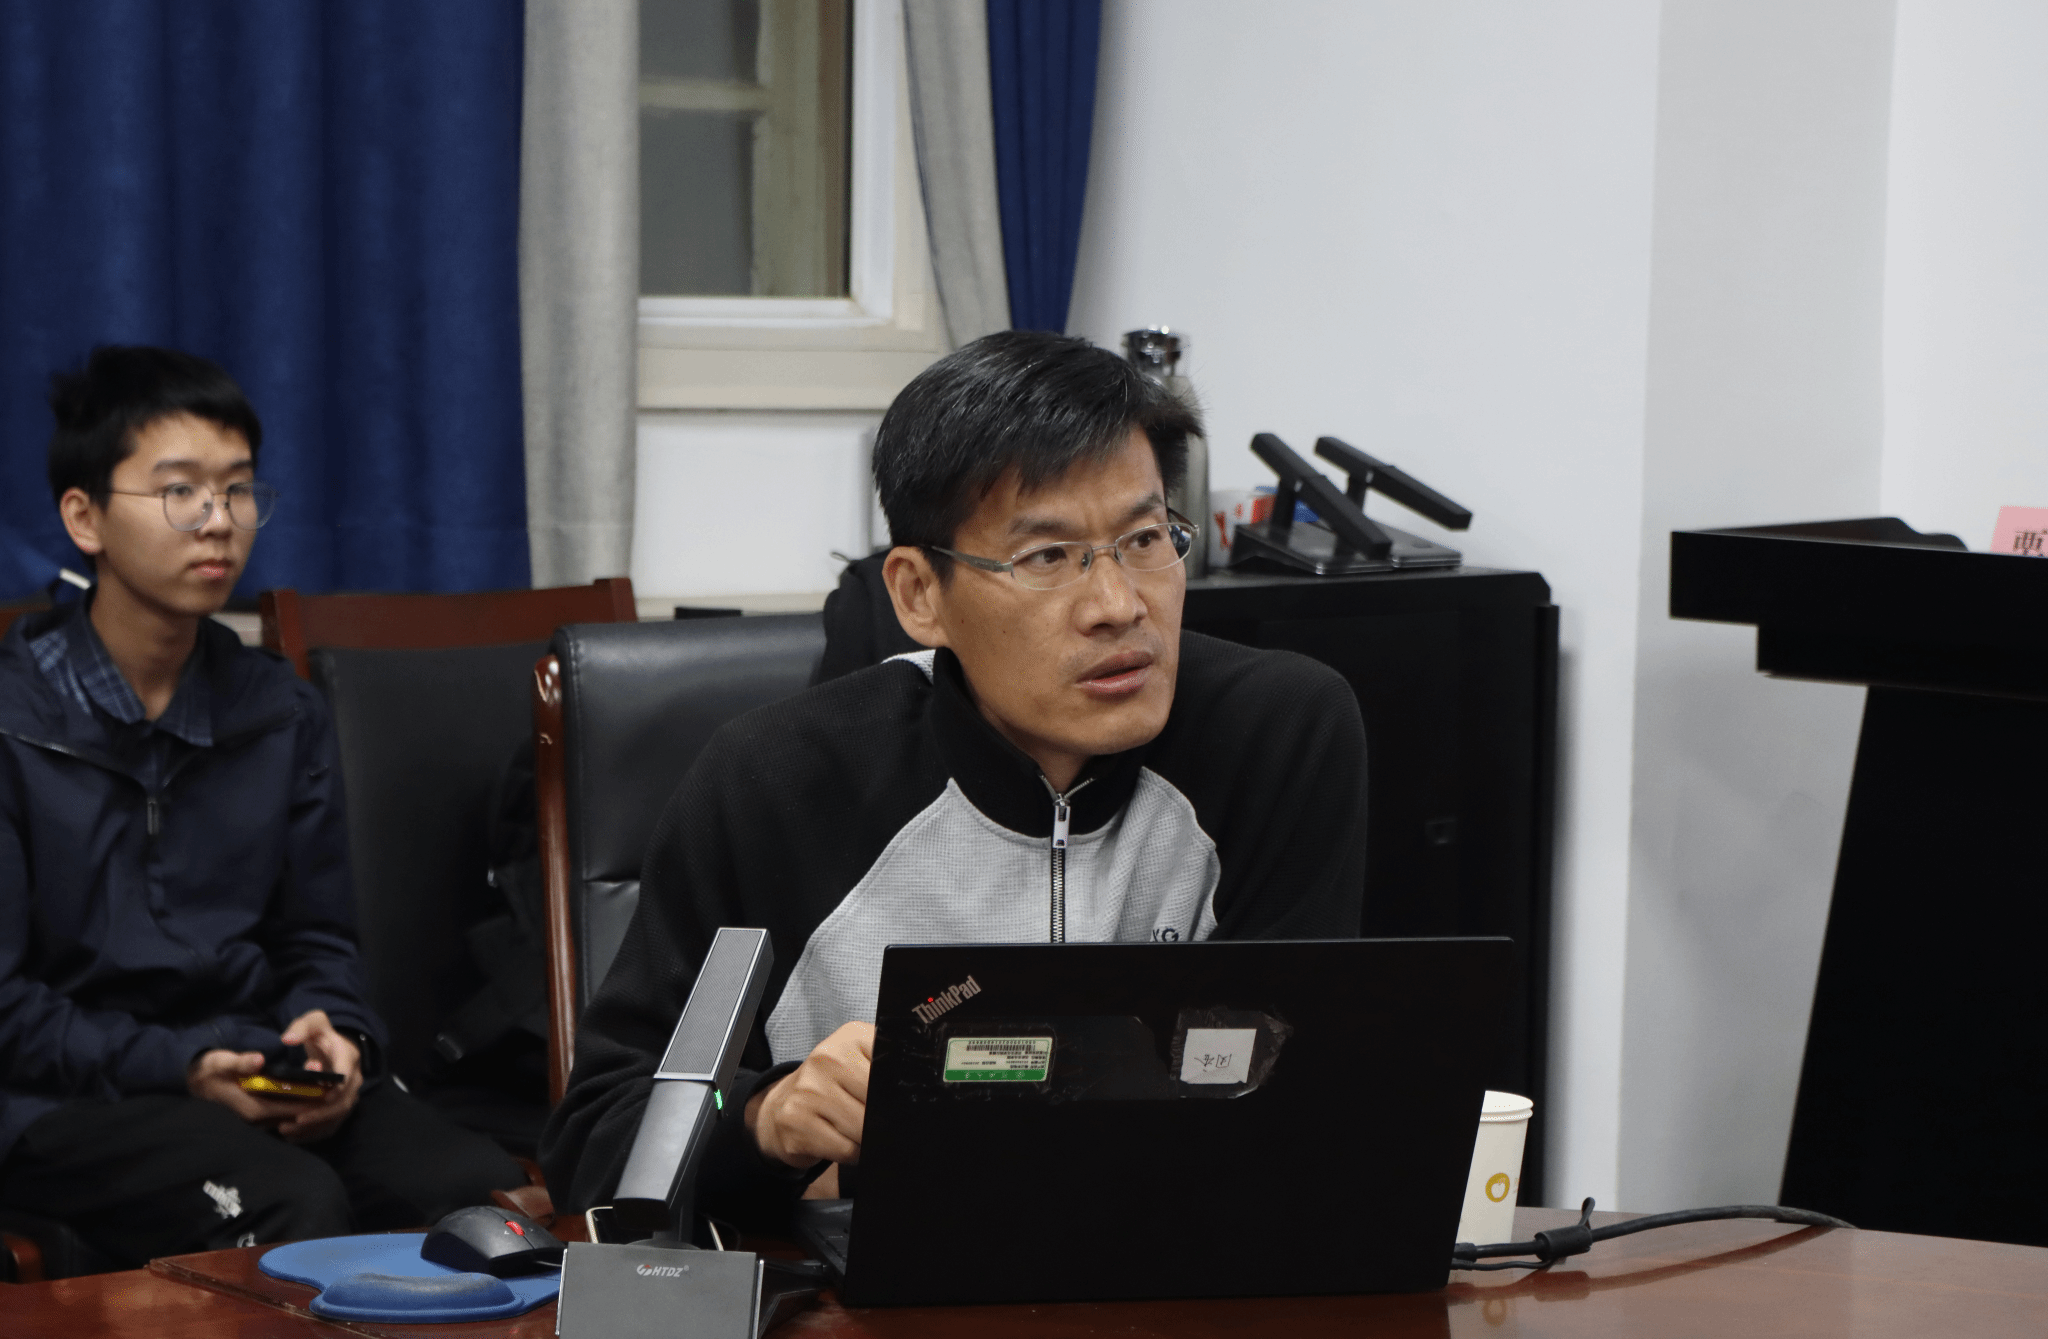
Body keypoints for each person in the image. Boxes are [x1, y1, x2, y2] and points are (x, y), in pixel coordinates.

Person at [541, 331, 1368, 1228]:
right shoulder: (772, 784)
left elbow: (1293, 1103)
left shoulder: (1277, 735)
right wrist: (762, 1119)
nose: (1120, 605)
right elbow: (602, 1137)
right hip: (865, 1288)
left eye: (1143, 539)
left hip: (1180, 1270)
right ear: (918, 594)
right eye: (1047, 557)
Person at [0, 345, 526, 1269]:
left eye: (238, 489)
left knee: (472, 1193)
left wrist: (336, 1032)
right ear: (84, 517)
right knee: (293, 1204)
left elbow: (318, 937)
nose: (218, 520)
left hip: (255, 1069)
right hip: (66, 1096)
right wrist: (182, 1064)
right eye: (180, 491)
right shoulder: (15, 717)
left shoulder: (277, 709)